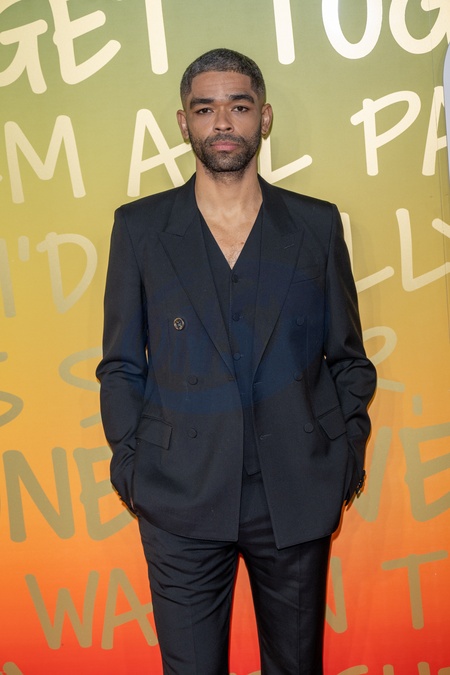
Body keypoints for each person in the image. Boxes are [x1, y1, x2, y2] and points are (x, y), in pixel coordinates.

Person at [96, 48, 377, 674]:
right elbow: (121, 365)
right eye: (205, 109)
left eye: (239, 107)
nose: (222, 122)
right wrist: (133, 469)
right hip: (177, 498)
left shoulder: (315, 226)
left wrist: (344, 456)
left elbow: (349, 360)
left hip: (297, 494)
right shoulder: (139, 229)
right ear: (184, 123)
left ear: (264, 118)